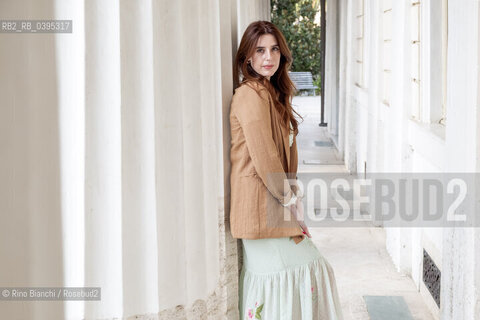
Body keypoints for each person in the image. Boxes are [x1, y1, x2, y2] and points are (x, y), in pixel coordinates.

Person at [229, 21, 344, 319]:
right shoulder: (249, 95)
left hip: (274, 206)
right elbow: (265, 157)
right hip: (259, 209)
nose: (268, 57)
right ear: (248, 58)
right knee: (308, 269)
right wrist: (292, 202)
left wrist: (295, 201)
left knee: (302, 276)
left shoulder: (271, 93)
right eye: (260, 50)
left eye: (274, 49)